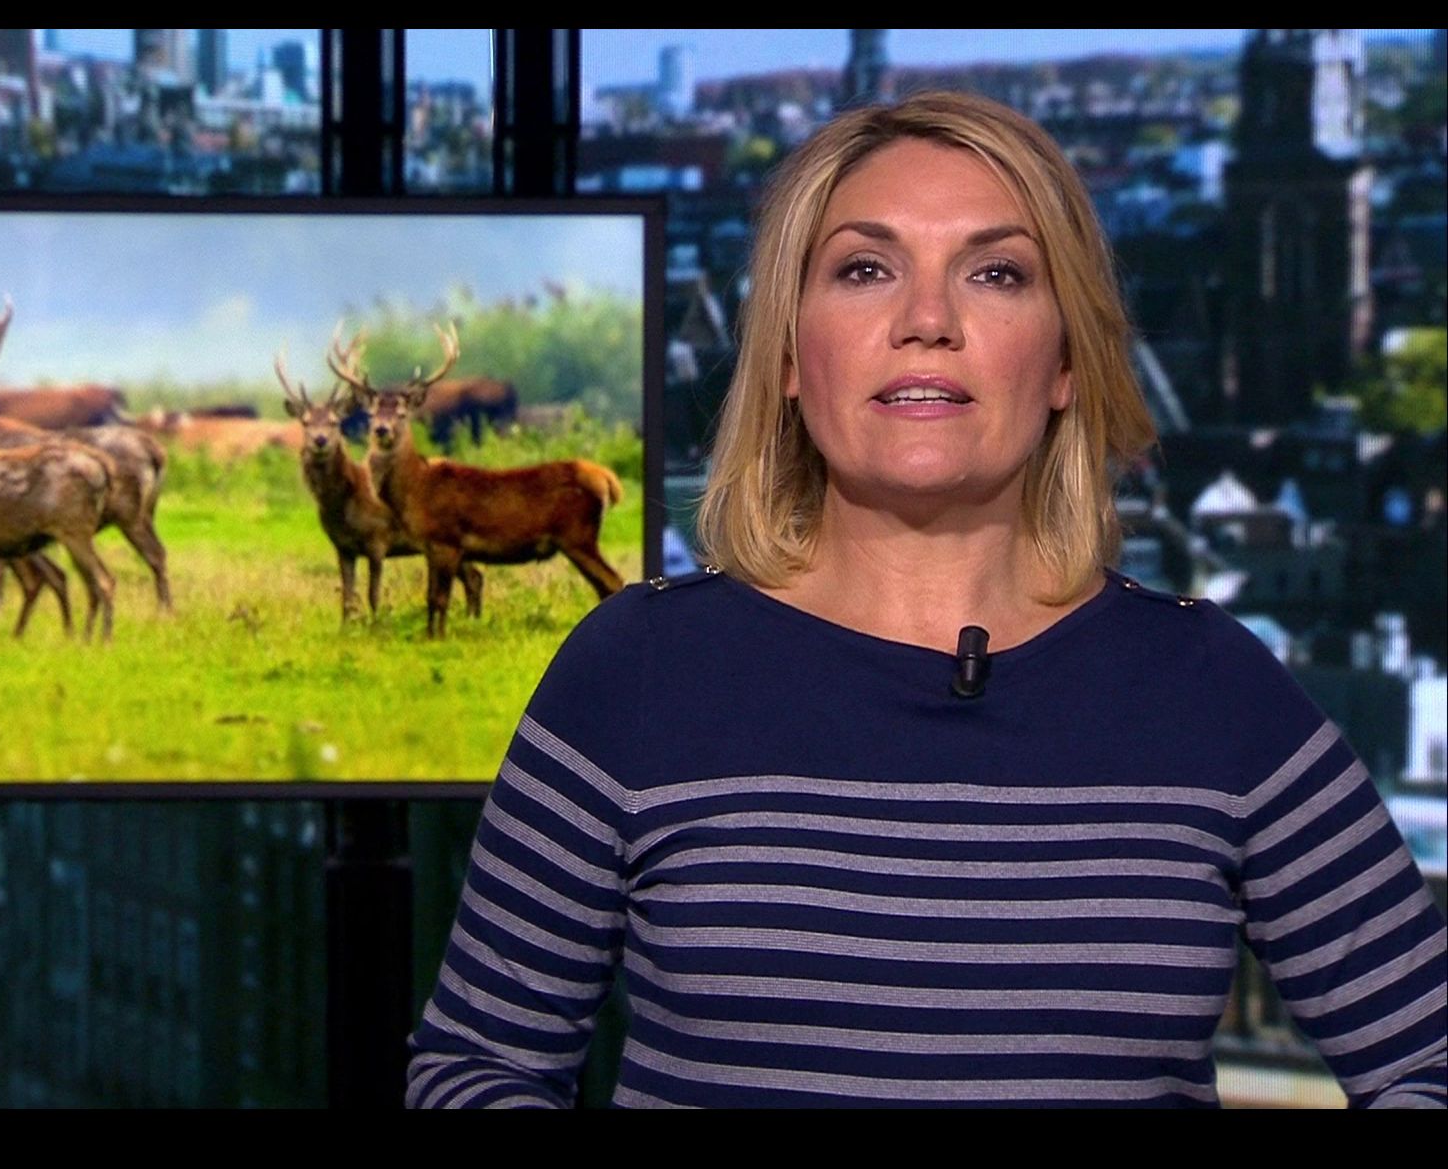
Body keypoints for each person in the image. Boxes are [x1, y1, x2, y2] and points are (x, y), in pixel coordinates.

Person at [403, 91, 1448, 1109]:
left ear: (1066, 363)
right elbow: (473, 1066)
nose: (928, 321)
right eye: (865, 270)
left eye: (996, 273)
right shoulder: (638, 668)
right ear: (787, 357)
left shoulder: (1208, 686)